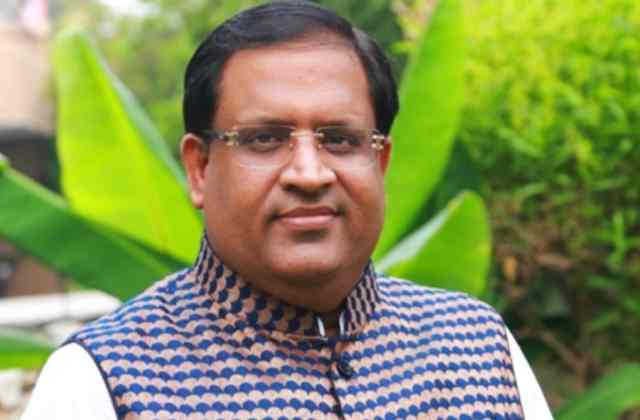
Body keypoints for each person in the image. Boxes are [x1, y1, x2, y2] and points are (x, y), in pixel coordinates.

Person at [22, 1, 552, 419]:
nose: (309, 173)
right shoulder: (110, 379)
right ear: (200, 168)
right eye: (264, 139)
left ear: (380, 162)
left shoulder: (477, 350)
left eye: (340, 139)